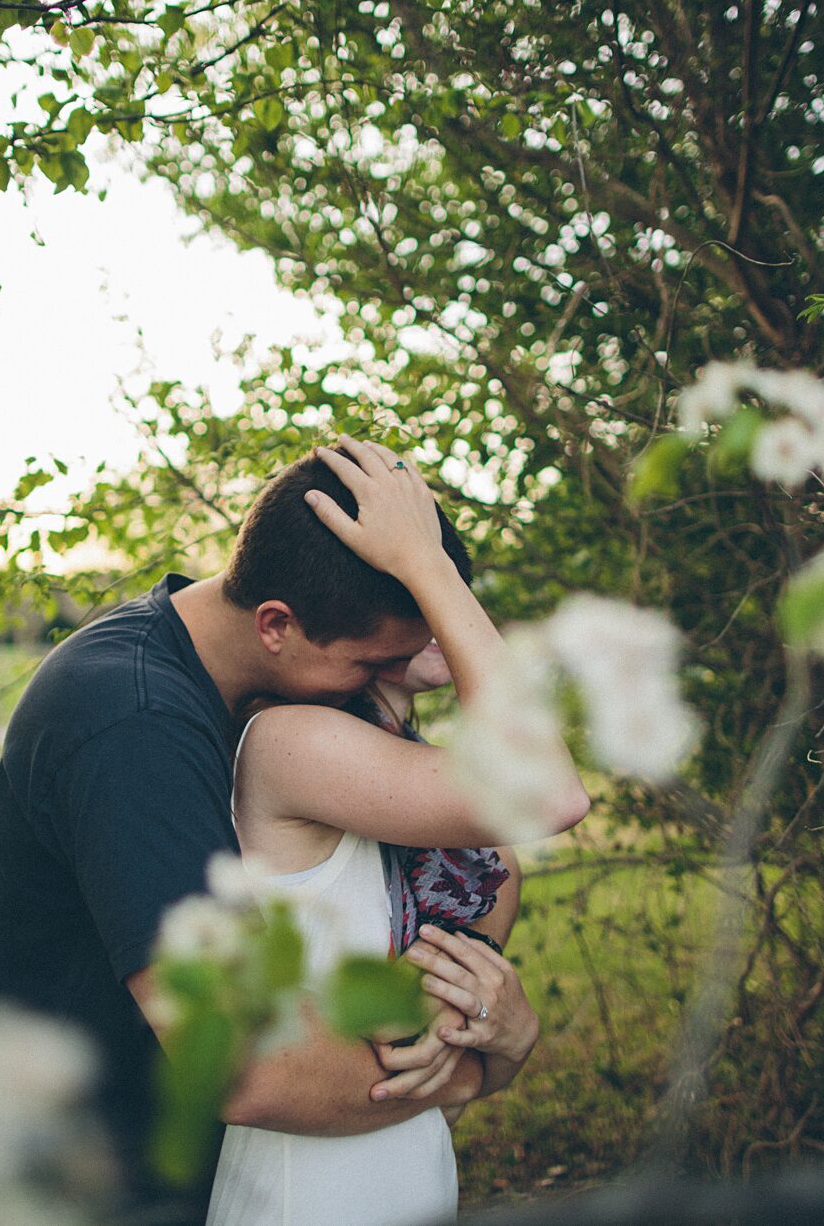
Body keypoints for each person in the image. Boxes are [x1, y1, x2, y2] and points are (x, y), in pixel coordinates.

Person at [0, 438, 582, 1225]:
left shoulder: (259, 673)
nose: (390, 677)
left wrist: (428, 585)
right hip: (104, 1185)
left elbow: (485, 860)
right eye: (372, 663)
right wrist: (480, 1070)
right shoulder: (131, 720)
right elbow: (245, 1069)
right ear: (276, 624)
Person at [205, 441, 587, 1226]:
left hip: (411, 1173)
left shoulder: (429, 812)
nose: (457, 623)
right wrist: (429, 565)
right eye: (423, 594)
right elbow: (549, 791)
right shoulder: (290, 742)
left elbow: (428, 1050)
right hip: (301, 1197)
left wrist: (503, 1037)